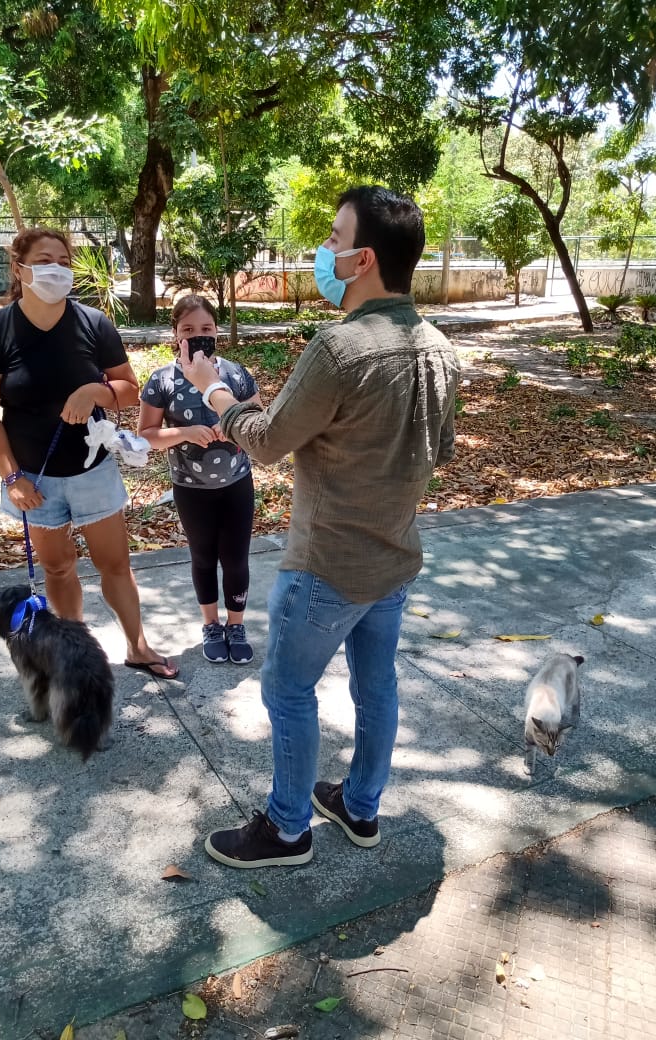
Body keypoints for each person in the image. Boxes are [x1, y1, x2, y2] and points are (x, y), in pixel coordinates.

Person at [180, 186, 460, 867]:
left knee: (286, 689)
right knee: (377, 687)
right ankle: (359, 807)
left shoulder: (339, 348)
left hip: (327, 567)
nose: (323, 252)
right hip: (393, 562)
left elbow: (268, 440)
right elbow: (441, 450)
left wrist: (216, 392)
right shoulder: (439, 347)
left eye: (334, 239)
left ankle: (286, 829)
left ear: (363, 259)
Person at [0, 226, 178, 679]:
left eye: (64, 262)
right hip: (33, 479)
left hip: (92, 472)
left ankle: (138, 647)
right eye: (45, 260)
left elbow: (126, 388)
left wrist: (94, 391)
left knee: (115, 564)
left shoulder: (93, 322)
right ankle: (73, 656)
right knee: (58, 568)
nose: (56, 270)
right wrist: (11, 477)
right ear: (19, 267)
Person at [138, 294, 261, 664]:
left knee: (236, 559)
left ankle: (236, 625)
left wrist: (234, 428)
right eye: (188, 329)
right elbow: (145, 434)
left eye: (206, 328)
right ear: (175, 334)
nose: (198, 335)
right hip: (191, 489)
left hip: (237, 484)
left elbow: (259, 421)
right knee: (203, 558)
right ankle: (211, 624)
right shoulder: (162, 381)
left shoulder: (235, 374)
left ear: (217, 331)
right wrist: (187, 432)